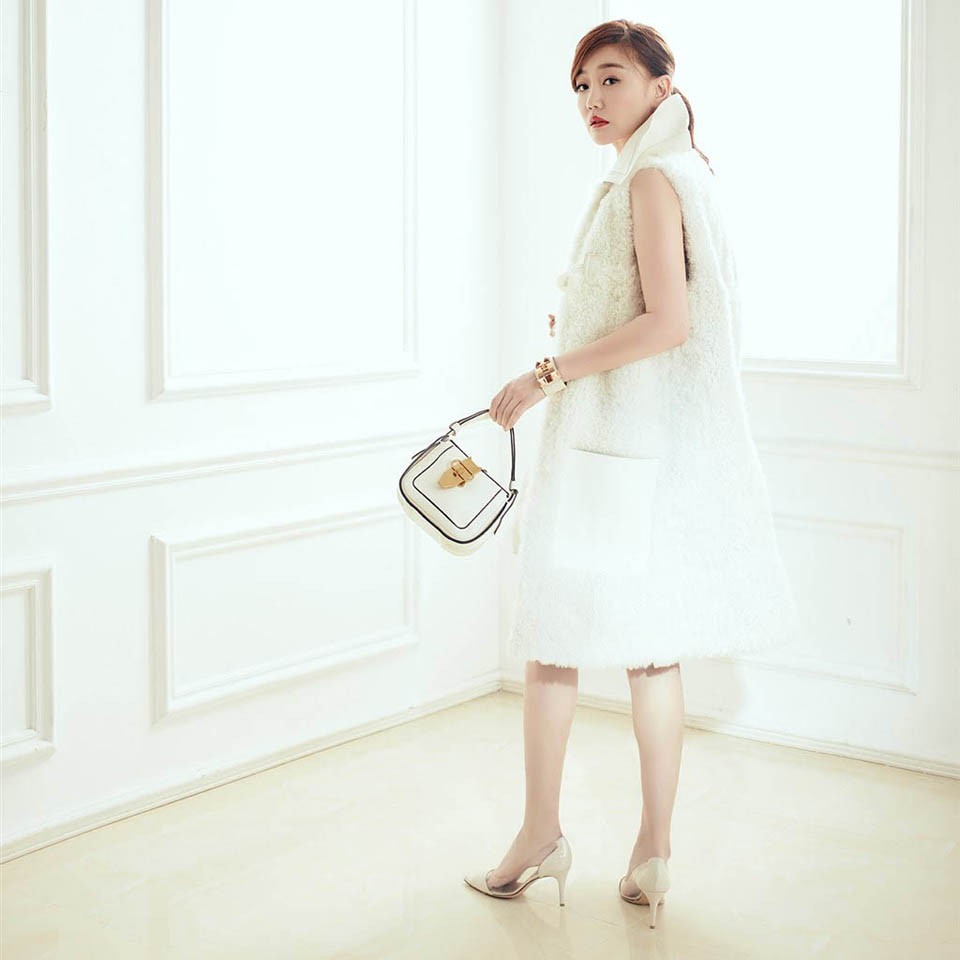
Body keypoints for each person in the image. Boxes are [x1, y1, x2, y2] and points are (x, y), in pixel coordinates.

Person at [463, 20, 801, 927]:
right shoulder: (678, 172)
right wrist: (581, 323)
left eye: (610, 78)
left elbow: (668, 323)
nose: (591, 99)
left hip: (612, 453)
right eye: (580, 86)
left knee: (553, 643)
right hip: (652, 451)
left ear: (660, 82)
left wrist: (547, 373)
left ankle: (541, 835)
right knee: (653, 651)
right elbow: (660, 312)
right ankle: (652, 853)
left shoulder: (649, 179)